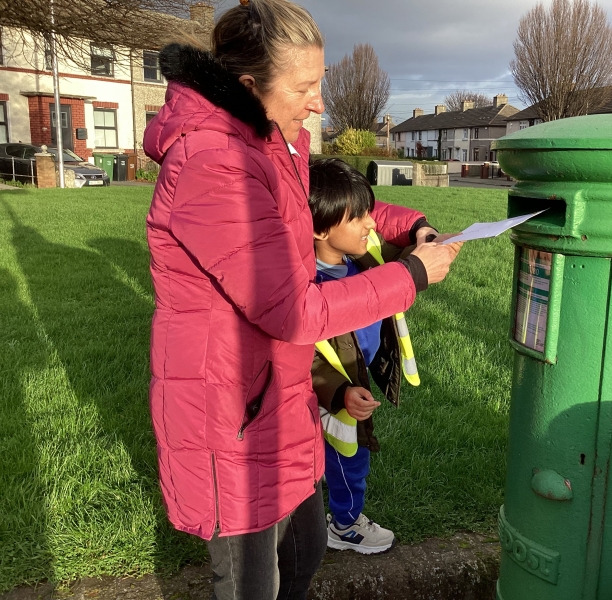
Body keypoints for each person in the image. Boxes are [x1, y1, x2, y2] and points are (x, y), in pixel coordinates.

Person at [142, 0, 461, 598]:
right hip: (230, 415)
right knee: (253, 582)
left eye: (321, 82)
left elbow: (331, 201)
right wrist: (410, 277)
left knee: (305, 551)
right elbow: (294, 309)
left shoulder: (271, 143)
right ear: (248, 86)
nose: (318, 103)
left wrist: (410, 226)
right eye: (304, 87)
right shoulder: (213, 163)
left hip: (278, 398)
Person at [307, 158, 421, 554]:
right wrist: (339, 392)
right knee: (348, 456)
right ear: (320, 229)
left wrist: (426, 234)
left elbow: (401, 242)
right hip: (333, 393)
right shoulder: (308, 287)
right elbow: (303, 355)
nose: (371, 224)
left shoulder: (361, 253)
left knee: (331, 453)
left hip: (352, 379)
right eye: (358, 217)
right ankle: (345, 525)